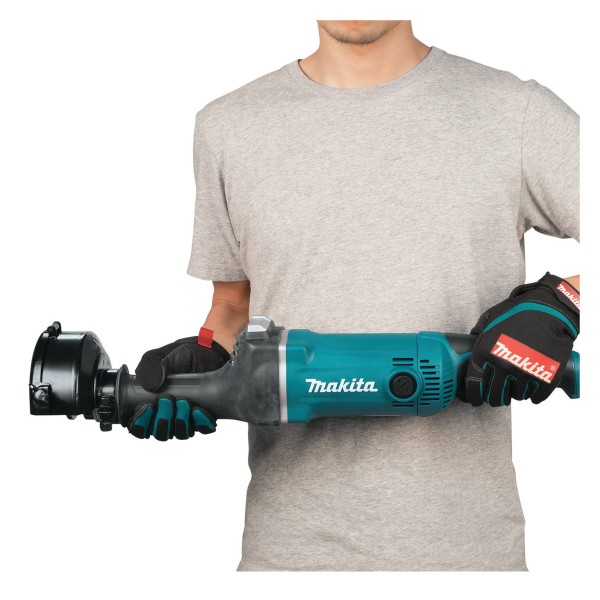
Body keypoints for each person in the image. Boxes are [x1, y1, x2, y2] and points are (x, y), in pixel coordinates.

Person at [127, 21, 580, 571]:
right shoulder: (228, 125)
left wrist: (562, 304)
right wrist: (204, 364)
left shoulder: (514, 113)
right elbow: (232, 306)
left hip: (465, 557)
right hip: (286, 558)